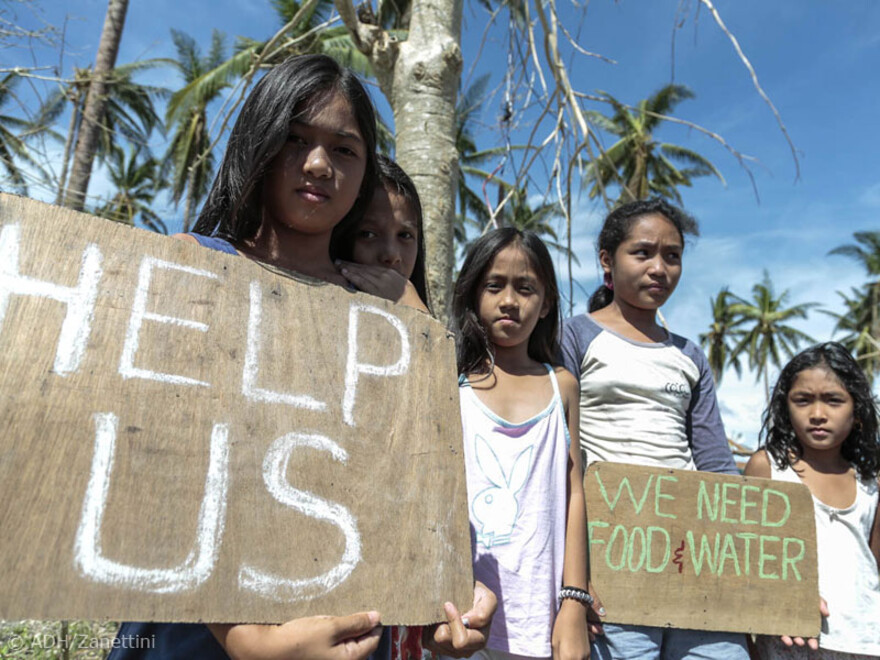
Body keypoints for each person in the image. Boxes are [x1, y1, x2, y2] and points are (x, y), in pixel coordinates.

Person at [108, 53, 494, 660]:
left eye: (344, 149)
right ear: (258, 141)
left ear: (366, 170)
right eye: (295, 139)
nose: (318, 164)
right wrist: (244, 637)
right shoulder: (191, 264)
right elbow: (156, 470)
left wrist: (452, 596)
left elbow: (417, 479)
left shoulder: (391, 316)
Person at [559, 198, 748, 659]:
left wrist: (752, 571)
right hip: (612, 554)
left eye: (672, 255)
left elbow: (716, 464)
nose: (659, 268)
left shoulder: (689, 355)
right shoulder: (575, 336)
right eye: (642, 253)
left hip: (693, 557)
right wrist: (575, 581)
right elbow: (562, 454)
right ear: (607, 260)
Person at [452, 227, 601, 660]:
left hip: (540, 613)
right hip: (462, 613)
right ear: (472, 293)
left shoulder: (563, 386)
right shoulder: (451, 381)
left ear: (548, 301)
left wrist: (573, 600)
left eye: (526, 288)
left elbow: (575, 492)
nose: (509, 301)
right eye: (493, 285)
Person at [746, 342, 880, 659]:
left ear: (857, 412)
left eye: (833, 401)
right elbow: (746, 558)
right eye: (803, 401)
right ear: (785, 408)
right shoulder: (769, 468)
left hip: (864, 641)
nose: (817, 414)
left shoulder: (871, 482)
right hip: (789, 641)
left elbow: (874, 566)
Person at [333, 153, 430, 312]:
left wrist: (415, 309)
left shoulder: (415, 305)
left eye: (404, 235)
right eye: (368, 234)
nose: (391, 255)